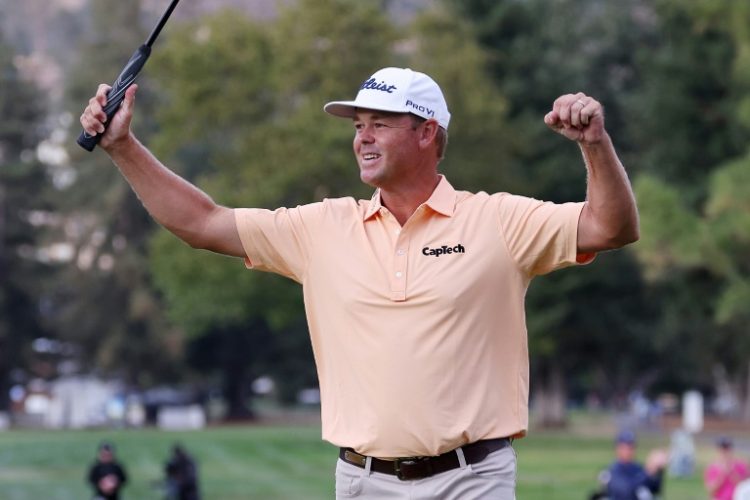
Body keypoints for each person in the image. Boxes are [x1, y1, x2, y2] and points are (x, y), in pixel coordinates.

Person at [79, 66, 639, 499]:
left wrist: (594, 145)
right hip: (363, 482)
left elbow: (610, 227)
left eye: (380, 123)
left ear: (427, 133)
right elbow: (203, 223)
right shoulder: (322, 228)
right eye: (357, 126)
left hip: (472, 480)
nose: (362, 138)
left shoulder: (498, 220)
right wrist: (123, 148)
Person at [590, 430, 667, 500]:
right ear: (617, 448)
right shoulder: (610, 471)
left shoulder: (638, 468)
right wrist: (648, 472)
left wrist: (658, 471)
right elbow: (626, 491)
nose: (628, 451)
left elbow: (655, 489)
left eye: (631, 447)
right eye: (625, 447)